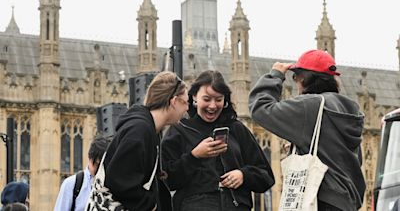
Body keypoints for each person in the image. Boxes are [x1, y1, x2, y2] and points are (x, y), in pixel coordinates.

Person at [249, 49, 366, 211]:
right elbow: (350, 159)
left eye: (295, 77)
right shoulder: (352, 110)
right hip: (347, 201)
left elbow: (260, 108)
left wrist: (275, 75)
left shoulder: (310, 105)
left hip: (320, 199)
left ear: (303, 77)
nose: (295, 82)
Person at [162, 70, 275, 211]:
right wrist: (194, 156)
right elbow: (166, 180)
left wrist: (243, 175)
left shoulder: (236, 129)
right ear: (195, 97)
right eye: (207, 99)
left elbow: (266, 177)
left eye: (218, 99)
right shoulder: (180, 130)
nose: (213, 106)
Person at [103, 71, 188, 210]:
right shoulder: (139, 130)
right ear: (173, 101)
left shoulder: (151, 130)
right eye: (185, 102)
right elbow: (119, 181)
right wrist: (151, 205)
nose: (187, 108)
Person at [54, 135, 110, 211]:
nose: (101, 169)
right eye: (98, 164)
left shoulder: (111, 184)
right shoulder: (71, 184)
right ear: (90, 158)